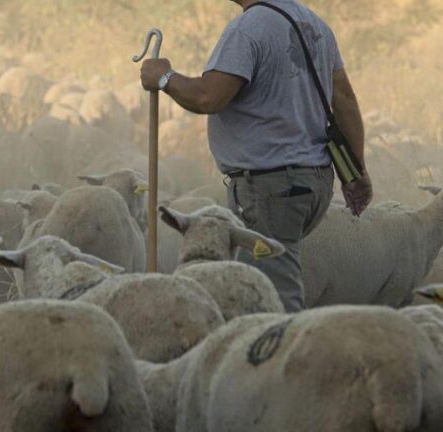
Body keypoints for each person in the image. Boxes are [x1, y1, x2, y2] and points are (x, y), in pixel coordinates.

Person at [140, 0, 372, 312]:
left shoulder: (247, 29)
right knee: (267, 279)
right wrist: (356, 171)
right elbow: (343, 96)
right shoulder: (314, 24)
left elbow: (208, 96)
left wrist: (165, 78)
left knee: (274, 300)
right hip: (313, 180)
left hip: (271, 187)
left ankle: (284, 354)